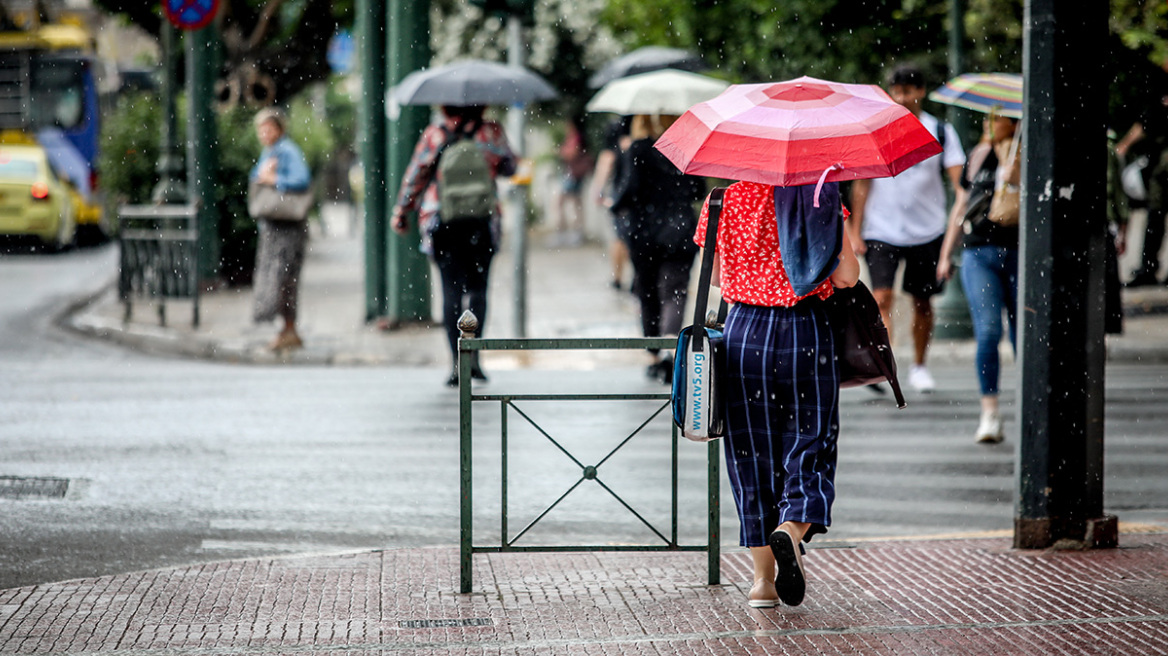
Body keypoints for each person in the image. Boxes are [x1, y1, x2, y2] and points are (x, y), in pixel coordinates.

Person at [694, 180, 860, 608]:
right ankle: (791, 527)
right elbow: (847, 276)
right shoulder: (820, 196)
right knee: (811, 442)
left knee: (750, 455)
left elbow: (713, 275)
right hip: (805, 329)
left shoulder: (720, 199)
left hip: (743, 334)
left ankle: (762, 583)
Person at [847, 65, 966, 393]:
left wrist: (958, 217)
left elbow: (959, 182)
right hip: (881, 228)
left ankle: (919, 365)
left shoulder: (940, 131)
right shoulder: (877, 130)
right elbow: (862, 184)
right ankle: (886, 364)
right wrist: (856, 231)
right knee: (881, 297)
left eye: (907, 91)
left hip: (926, 230)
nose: (901, 97)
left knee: (922, 302)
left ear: (920, 92)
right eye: (896, 91)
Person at [391, 105, 517, 387]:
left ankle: (455, 362)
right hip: (482, 221)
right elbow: (511, 167)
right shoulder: (491, 131)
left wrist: (402, 211)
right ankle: (475, 360)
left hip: (442, 220)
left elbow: (416, 175)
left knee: (451, 292)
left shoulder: (435, 134)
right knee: (478, 291)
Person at [937, 113, 1021, 444]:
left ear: (1014, 124)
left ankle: (1030, 407)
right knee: (988, 330)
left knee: (1022, 335)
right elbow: (962, 204)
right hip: (978, 253)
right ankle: (990, 412)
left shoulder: (1025, 152)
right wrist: (946, 253)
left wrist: (1018, 178)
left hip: (1018, 252)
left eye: (997, 118)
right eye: (988, 117)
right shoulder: (978, 154)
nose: (989, 123)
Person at [610, 114, 705, 384]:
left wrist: (614, 204)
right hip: (680, 232)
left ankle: (653, 356)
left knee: (647, 292)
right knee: (675, 292)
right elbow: (697, 189)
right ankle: (669, 351)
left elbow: (629, 190)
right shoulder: (685, 148)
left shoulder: (638, 150)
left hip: (645, 233)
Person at [250, 107, 312, 351]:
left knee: (284, 278)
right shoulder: (271, 152)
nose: (264, 134)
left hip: (287, 227)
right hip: (275, 226)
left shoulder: (286, 151)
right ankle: (286, 328)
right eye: (261, 129)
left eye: (268, 128)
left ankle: (288, 329)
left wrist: (274, 180)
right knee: (279, 278)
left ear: (279, 129)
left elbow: (301, 179)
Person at [590, 116, 633, 290]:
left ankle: (617, 277)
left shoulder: (614, 133)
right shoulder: (637, 135)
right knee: (632, 238)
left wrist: (598, 191)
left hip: (618, 196)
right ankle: (635, 277)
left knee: (619, 238)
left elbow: (606, 163)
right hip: (636, 195)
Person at [551, 117, 593, 247]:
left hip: (573, 175)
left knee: (566, 203)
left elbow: (572, 153)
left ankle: (570, 233)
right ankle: (573, 233)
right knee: (574, 204)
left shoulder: (575, 138)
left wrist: (561, 152)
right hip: (573, 174)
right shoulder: (573, 137)